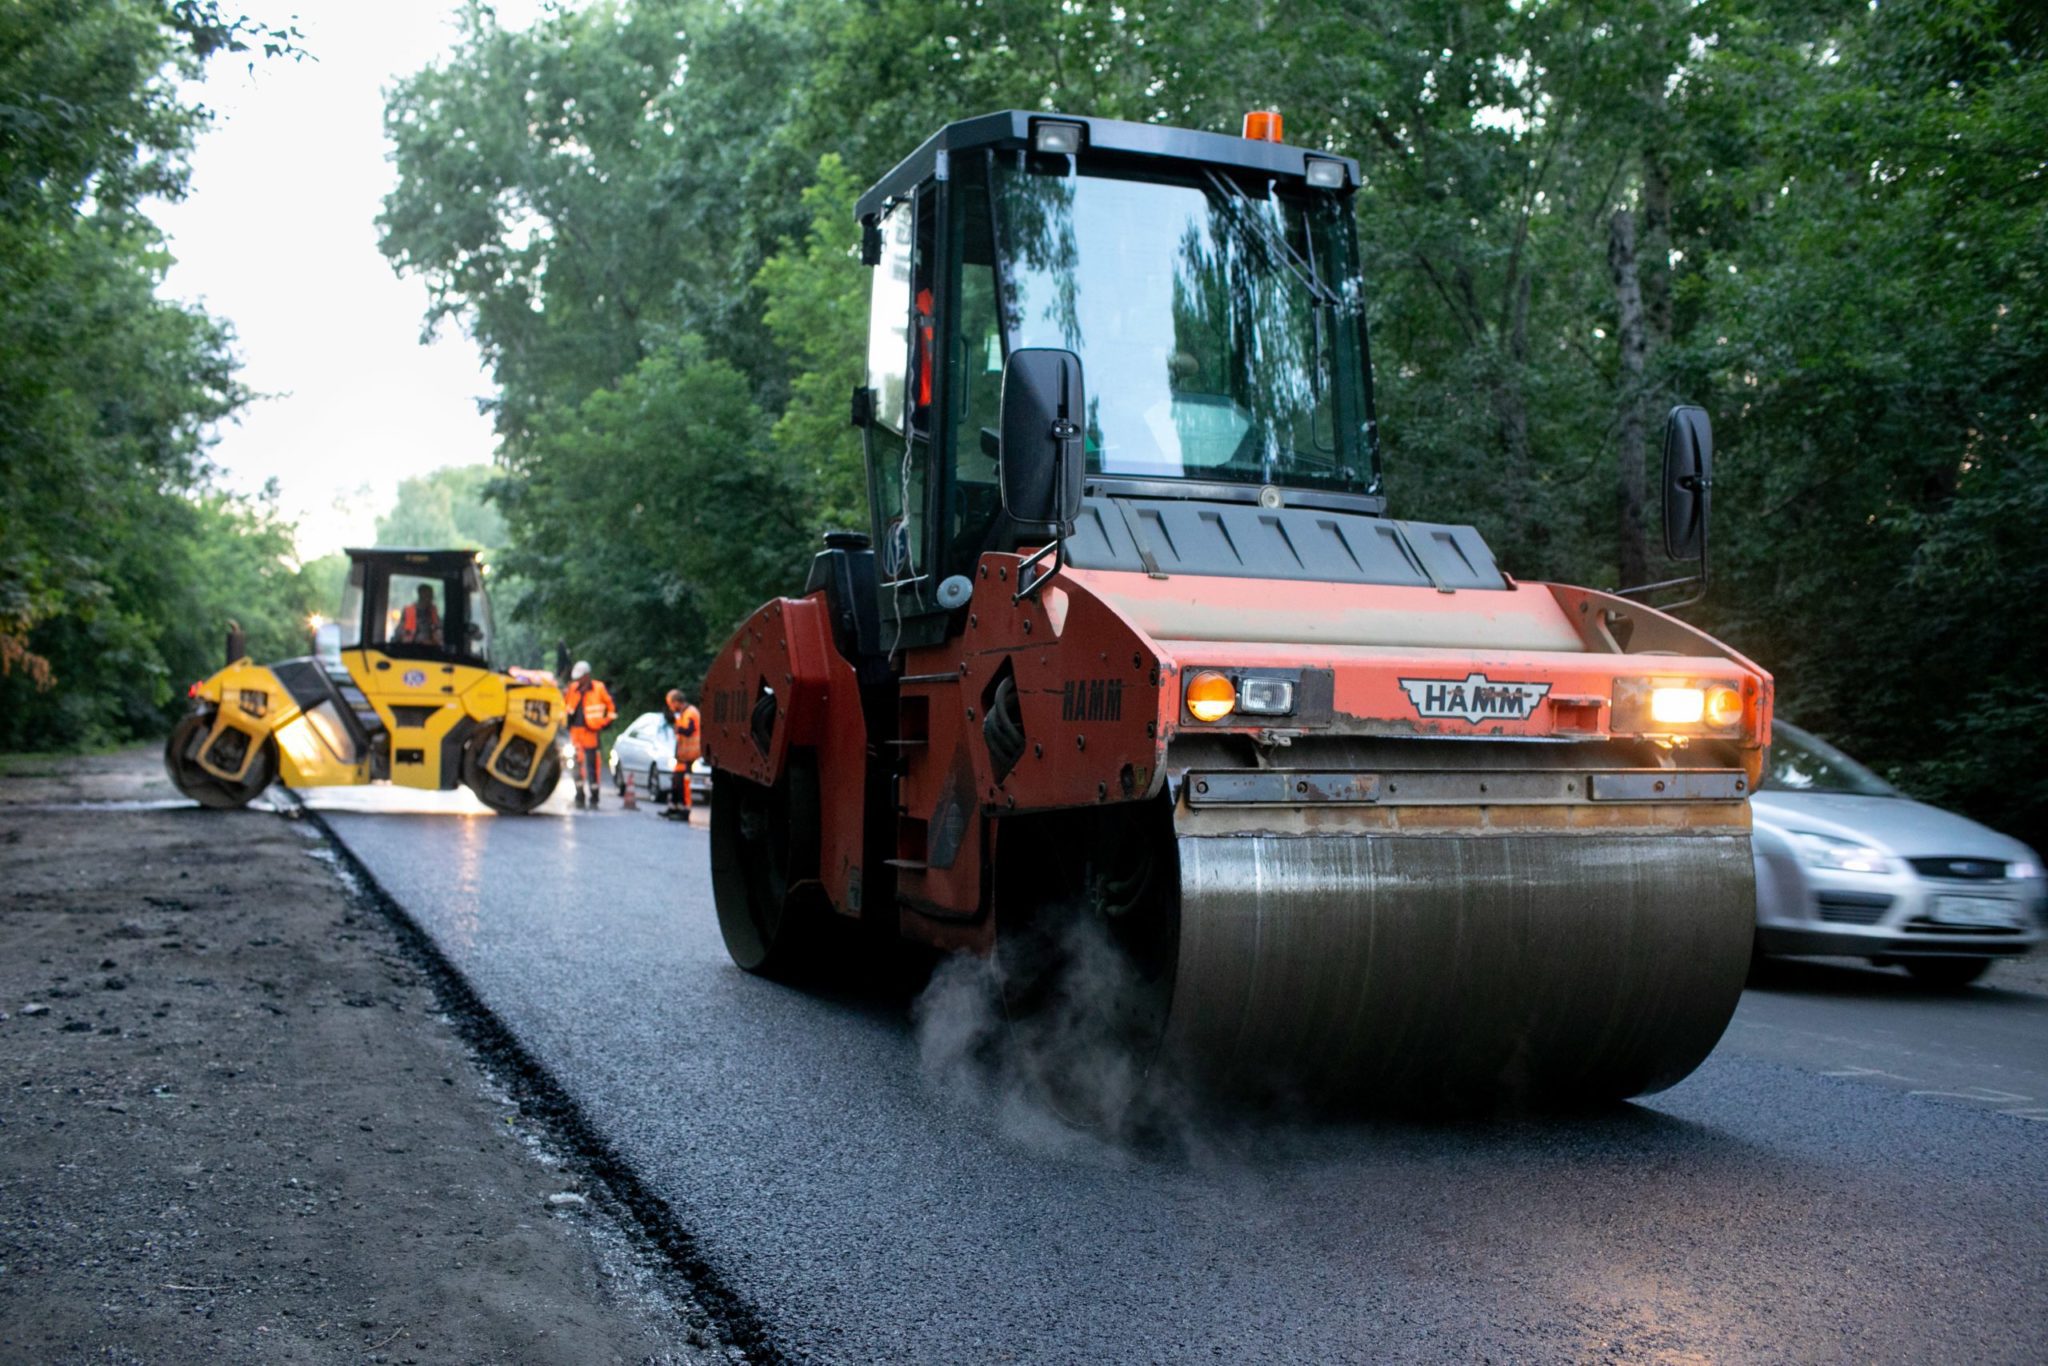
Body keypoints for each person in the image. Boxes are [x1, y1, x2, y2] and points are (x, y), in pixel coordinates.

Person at [562, 660, 616, 809]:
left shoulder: (598, 688)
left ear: (587, 675)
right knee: (574, 765)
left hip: (591, 732)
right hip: (575, 733)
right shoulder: (572, 689)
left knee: (592, 766)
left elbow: (611, 706)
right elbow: (565, 706)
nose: (578, 680)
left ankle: (594, 797)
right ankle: (579, 795)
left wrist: (606, 722)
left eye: (580, 677)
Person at [661, 688, 702, 822]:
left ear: (677, 702)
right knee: (676, 781)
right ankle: (674, 807)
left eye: (671, 704)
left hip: (690, 755)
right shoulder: (683, 714)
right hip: (682, 755)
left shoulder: (691, 713)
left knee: (684, 782)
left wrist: (678, 728)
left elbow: (690, 730)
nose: (671, 707)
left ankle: (685, 810)